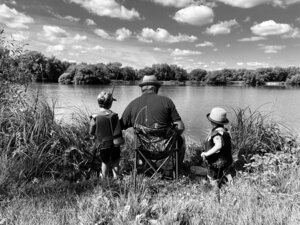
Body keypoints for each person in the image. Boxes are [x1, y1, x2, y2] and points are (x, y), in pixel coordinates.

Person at [120, 74, 186, 170]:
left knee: (134, 136)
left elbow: (120, 126)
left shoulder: (132, 104)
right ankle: (177, 169)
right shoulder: (166, 101)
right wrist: (168, 138)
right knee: (181, 139)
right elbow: (180, 127)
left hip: (142, 150)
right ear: (156, 88)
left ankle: (144, 165)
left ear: (142, 88)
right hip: (165, 149)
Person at [89, 91, 124, 179]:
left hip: (103, 144)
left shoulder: (95, 116)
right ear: (111, 103)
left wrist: (92, 134)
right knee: (115, 160)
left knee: (105, 161)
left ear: (98, 103)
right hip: (115, 143)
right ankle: (116, 177)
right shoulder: (114, 115)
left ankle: (104, 178)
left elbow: (91, 129)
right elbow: (118, 129)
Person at [201, 107, 233, 191]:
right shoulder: (225, 131)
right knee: (225, 172)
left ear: (212, 121)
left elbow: (218, 146)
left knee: (212, 176)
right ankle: (229, 185)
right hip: (226, 160)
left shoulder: (216, 134)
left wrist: (206, 154)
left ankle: (215, 190)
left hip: (216, 163)